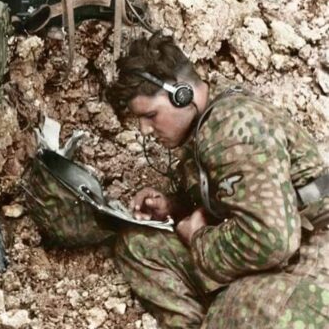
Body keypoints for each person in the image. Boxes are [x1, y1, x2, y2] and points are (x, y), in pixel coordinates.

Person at [106, 33, 329, 329]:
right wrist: (172, 206)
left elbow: (273, 240)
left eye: (151, 115)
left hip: (313, 248)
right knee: (138, 245)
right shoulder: (204, 125)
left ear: (181, 95)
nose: (145, 130)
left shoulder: (231, 127)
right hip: (275, 244)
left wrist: (199, 239)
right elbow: (230, 193)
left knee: (245, 307)